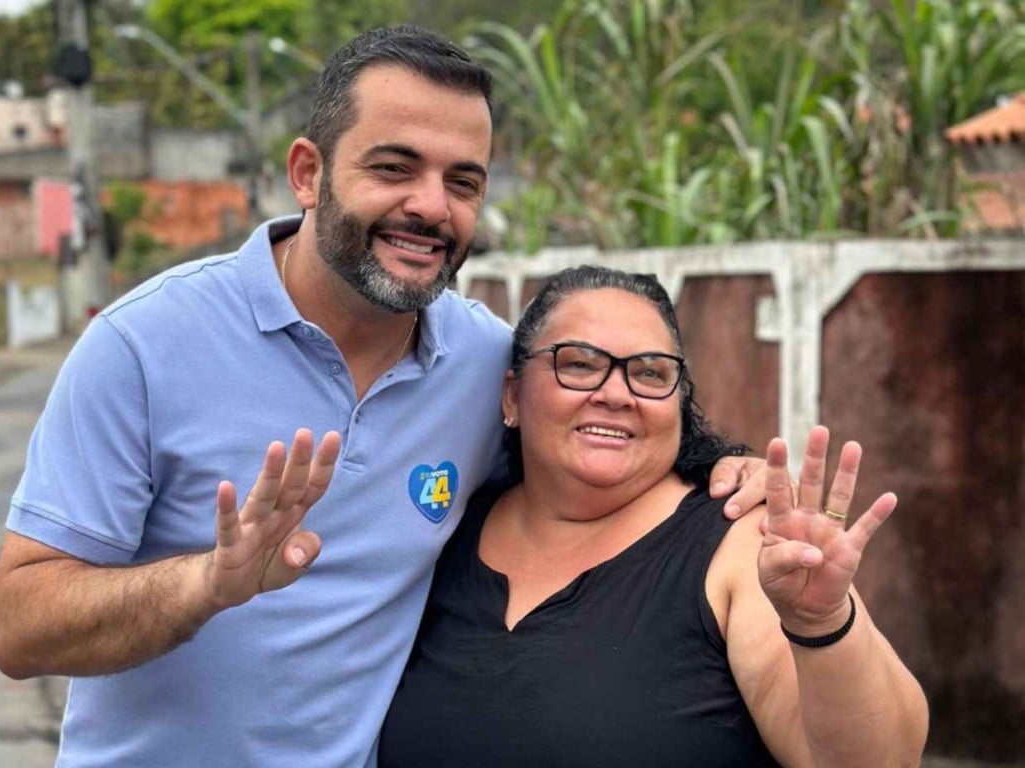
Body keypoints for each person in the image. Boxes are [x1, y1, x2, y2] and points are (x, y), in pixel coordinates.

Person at [0, 27, 766, 768]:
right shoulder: (143, 346)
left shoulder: (487, 366)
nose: (431, 207)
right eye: (394, 168)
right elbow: (18, 628)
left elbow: (601, 446)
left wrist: (727, 474)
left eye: (463, 182)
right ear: (307, 173)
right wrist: (207, 584)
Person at [378, 265, 929, 767]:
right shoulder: (448, 528)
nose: (617, 393)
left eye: (648, 373)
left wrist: (821, 623)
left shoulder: (745, 542)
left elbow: (879, 761)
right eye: (579, 364)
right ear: (512, 395)